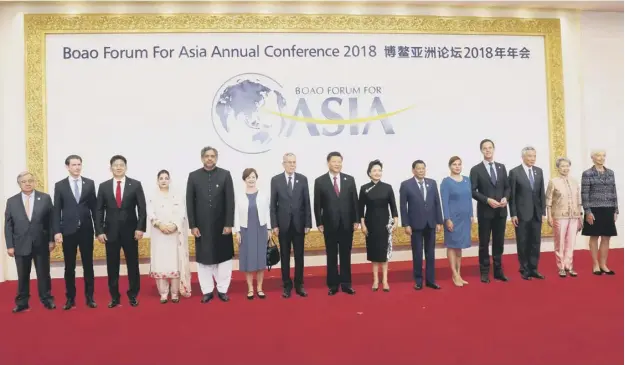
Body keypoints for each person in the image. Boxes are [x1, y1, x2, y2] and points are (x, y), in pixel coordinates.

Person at [95, 155, 147, 308]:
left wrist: (140, 228)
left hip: (131, 232)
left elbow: (142, 209)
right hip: (110, 232)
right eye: (115, 165)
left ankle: (133, 295)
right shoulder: (103, 186)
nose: (118, 167)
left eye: (121, 165)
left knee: (133, 264)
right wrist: (99, 231)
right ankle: (115, 297)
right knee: (112, 265)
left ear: (126, 167)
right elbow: (99, 210)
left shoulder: (135, 185)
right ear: (110, 168)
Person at [186, 146, 235, 303]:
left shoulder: (225, 175)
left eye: (212, 156)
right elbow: (189, 203)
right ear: (202, 158)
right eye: (207, 156)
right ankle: (207, 291)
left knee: (224, 259)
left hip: (222, 226)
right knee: (204, 260)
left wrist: (229, 223)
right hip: (202, 226)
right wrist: (193, 225)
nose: (209, 158)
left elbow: (230, 201)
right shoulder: (193, 176)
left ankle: (222, 289)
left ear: (216, 158)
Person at [4, 171, 56, 313]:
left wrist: (51, 240)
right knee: (22, 275)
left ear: (35, 182)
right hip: (20, 244)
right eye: (24, 181)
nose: (27, 183)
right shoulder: (12, 201)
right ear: (19, 183)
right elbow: (8, 225)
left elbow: (51, 222)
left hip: (41, 243)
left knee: (44, 273)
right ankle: (22, 303)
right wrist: (10, 245)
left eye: (30, 180)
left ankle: (47, 299)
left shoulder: (45, 198)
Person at [52, 155, 98, 310]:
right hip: (68, 231)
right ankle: (70, 298)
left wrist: (99, 230)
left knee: (88, 265)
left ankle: (90, 297)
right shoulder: (60, 185)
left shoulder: (89, 184)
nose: (77, 167)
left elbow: (95, 209)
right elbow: (56, 210)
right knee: (69, 267)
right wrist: (57, 231)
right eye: (74, 165)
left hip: (86, 230)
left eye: (79, 164)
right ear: (67, 167)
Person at [313, 151, 359, 296]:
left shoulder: (349, 180)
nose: (337, 164)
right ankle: (333, 285)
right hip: (329, 224)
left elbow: (355, 202)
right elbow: (317, 204)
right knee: (331, 255)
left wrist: (356, 220)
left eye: (339, 161)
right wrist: (319, 222)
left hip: (347, 224)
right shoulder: (320, 181)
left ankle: (346, 284)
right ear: (328, 163)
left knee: (346, 254)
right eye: (334, 161)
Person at [270, 153, 311, 299]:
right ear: (283, 164)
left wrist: (308, 223)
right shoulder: (276, 180)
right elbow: (273, 205)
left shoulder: (302, 179)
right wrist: (274, 224)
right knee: (285, 256)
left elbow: (307, 202)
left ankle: (299, 284)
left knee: (299, 256)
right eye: (289, 162)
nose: (292, 165)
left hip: (299, 225)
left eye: (294, 162)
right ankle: (287, 285)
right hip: (283, 225)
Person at [147, 170, 192, 303]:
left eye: (166, 178)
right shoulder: (152, 196)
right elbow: (150, 212)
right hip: (159, 234)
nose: (164, 180)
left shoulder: (176, 196)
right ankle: (163, 293)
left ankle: (174, 293)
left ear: (170, 180)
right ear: (157, 181)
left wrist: (174, 225)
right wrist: (159, 225)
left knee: (174, 263)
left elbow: (181, 212)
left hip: (174, 235)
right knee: (160, 263)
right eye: (161, 178)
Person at [469, 139, 510, 283]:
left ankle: (498, 271)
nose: (488, 150)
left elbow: (507, 187)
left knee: (499, 243)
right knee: (484, 243)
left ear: (494, 149)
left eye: (490, 148)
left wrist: (506, 197)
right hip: (485, 212)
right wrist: (487, 200)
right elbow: (473, 191)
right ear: (481, 151)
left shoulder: (501, 167)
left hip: (501, 212)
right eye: (485, 148)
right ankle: (484, 271)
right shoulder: (476, 169)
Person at [399, 160, 443, 290]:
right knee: (417, 253)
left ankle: (431, 280)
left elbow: (437, 203)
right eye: (418, 168)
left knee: (431, 253)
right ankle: (418, 280)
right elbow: (403, 207)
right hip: (415, 225)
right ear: (413, 170)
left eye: (423, 168)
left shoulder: (432, 183)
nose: (421, 171)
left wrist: (439, 221)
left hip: (431, 224)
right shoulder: (406, 185)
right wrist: (406, 224)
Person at [358, 159, 398, 292]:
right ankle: (375, 280)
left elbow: (393, 206)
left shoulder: (387, 187)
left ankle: (385, 281)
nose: (377, 173)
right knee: (374, 253)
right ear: (369, 173)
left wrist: (396, 221)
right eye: (374, 170)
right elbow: (360, 209)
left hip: (384, 224)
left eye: (379, 170)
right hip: (370, 224)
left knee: (384, 254)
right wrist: (363, 225)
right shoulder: (364, 188)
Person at [509, 146, 546, 280]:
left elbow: (542, 193)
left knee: (535, 242)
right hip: (521, 214)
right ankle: (524, 269)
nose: (532, 159)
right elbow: (512, 195)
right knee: (523, 242)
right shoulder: (514, 172)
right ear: (523, 157)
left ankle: (534, 268)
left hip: (536, 213)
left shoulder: (539, 171)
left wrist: (543, 212)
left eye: (534, 156)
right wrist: (513, 214)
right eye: (530, 156)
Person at [235, 168, 271, 300]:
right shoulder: (239, 196)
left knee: (261, 260)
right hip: (245, 230)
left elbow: (268, 212)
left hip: (261, 229)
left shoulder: (263, 194)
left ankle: (260, 288)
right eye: (248, 177)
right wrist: (237, 232)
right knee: (248, 260)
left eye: (253, 177)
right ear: (244, 180)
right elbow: (236, 214)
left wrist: (269, 229)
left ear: (256, 178)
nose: (251, 179)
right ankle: (250, 288)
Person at [581, 150, 619, 275]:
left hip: (608, 208)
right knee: (594, 236)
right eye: (598, 155)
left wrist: (615, 210)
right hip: (594, 209)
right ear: (592, 158)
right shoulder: (587, 173)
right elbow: (584, 194)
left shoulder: (610, 173)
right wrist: (587, 211)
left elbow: (614, 191)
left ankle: (603, 264)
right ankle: (595, 264)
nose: (601, 158)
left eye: (603, 155)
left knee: (606, 237)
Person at [440, 156, 474, 287]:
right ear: (450, 166)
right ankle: (454, 274)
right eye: (454, 164)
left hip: (465, 219)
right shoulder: (446, 182)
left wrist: (471, 215)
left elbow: (469, 198)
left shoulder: (466, 180)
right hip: (453, 219)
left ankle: (459, 273)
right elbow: (444, 202)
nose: (457, 166)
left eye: (459, 164)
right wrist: (447, 219)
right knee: (452, 246)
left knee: (459, 246)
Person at [546, 157, 582, 277]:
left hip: (574, 216)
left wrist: (580, 217)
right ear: (558, 168)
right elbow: (549, 201)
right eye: (562, 166)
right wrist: (549, 216)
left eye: (567, 166)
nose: (565, 168)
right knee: (559, 242)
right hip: (559, 216)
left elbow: (578, 200)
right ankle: (561, 267)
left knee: (571, 242)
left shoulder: (574, 181)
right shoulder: (553, 181)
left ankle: (569, 266)